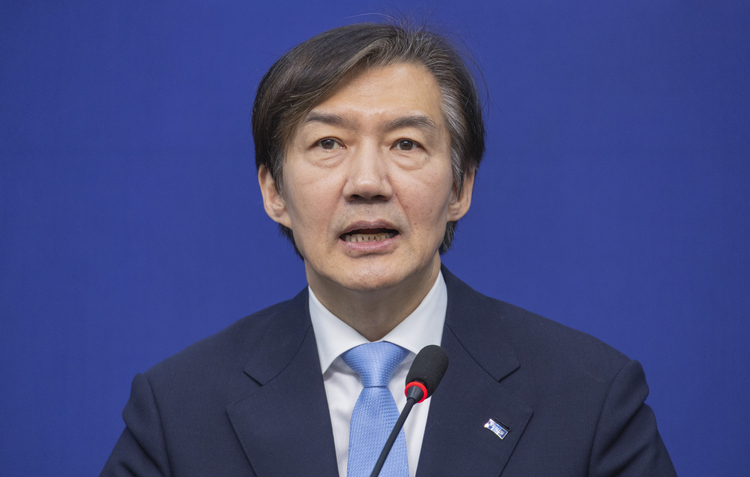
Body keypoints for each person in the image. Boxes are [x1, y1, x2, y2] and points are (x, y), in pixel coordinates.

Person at [101, 21, 676, 476]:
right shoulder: (178, 410)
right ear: (274, 192)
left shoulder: (589, 398)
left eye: (405, 144)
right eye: (329, 143)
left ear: (460, 187)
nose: (367, 182)